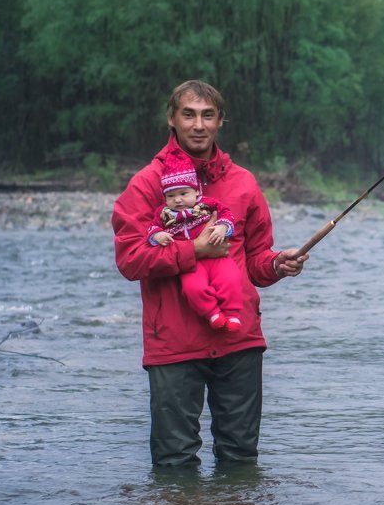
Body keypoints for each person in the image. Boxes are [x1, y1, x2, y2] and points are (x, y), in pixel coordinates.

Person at [112, 80, 307, 467]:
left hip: (240, 339)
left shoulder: (243, 182)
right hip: (173, 344)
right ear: (172, 120)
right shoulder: (147, 184)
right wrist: (193, 250)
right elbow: (130, 260)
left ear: (220, 122)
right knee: (174, 462)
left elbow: (255, 260)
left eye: (207, 115)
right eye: (189, 114)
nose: (198, 124)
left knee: (240, 459)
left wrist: (276, 265)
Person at [147, 148, 244, 333]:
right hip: (190, 262)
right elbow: (152, 228)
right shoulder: (163, 213)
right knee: (192, 288)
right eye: (171, 196)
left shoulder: (207, 204)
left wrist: (223, 227)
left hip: (217, 255)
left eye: (184, 193)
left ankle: (232, 314)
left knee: (231, 279)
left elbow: (227, 214)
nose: (178, 200)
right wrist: (158, 236)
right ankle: (213, 313)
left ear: (195, 190)